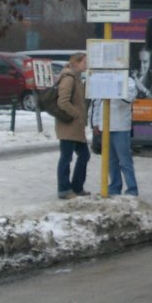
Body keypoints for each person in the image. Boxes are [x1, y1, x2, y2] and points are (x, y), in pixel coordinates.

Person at [90, 77, 139, 195]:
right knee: (110, 161)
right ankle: (114, 187)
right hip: (105, 127)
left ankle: (132, 189)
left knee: (125, 160)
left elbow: (129, 98)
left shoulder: (128, 81)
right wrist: (96, 122)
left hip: (120, 126)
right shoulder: (103, 79)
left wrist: (116, 87)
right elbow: (96, 102)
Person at [55, 52, 90, 199]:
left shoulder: (76, 79)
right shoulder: (68, 78)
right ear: (75, 63)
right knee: (66, 157)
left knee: (84, 155)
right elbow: (63, 102)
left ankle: (76, 187)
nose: (86, 65)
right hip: (68, 125)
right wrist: (77, 114)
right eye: (84, 62)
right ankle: (64, 189)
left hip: (76, 127)